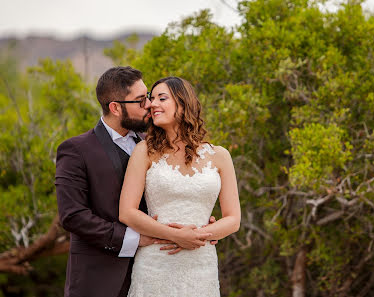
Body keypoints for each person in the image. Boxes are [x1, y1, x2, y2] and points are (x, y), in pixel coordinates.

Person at [55, 67, 215, 297]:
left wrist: (198, 226)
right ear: (116, 107)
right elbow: (72, 215)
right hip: (99, 278)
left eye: (148, 97)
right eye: (141, 101)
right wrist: (135, 239)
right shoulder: (76, 150)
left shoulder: (154, 144)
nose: (149, 105)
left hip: (156, 272)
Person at [119, 76, 241, 296]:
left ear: (184, 104)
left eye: (161, 98)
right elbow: (127, 212)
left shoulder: (220, 156)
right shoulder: (144, 151)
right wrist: (174, 235)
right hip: (155, 265)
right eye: (151, 98)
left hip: (200, 266)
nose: (152, 104)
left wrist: (200, 235)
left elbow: (233, 219)